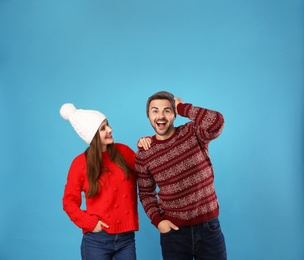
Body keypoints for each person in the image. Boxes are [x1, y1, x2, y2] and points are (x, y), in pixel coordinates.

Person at [135, 91, 227, 260]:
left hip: (209, 229)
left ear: (175, 114)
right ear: (148, 115)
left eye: (167, 110)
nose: (160, 115)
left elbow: (216, 122)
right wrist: (158, 221)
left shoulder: (192, 132)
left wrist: (183, 107)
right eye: (155, 111)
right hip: (174, 235)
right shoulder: (144, 154)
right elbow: (146, 194)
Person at [60, 103, 149, 260]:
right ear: (92, 135)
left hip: (126, 239)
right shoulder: (80, 163)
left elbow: (148, 173)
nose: (110, 129)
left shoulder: (125, 152)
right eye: (103, 128)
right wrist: (89, 223)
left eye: (107, 124)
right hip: (96, 241)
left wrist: (146, 147)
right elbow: (69, 202)